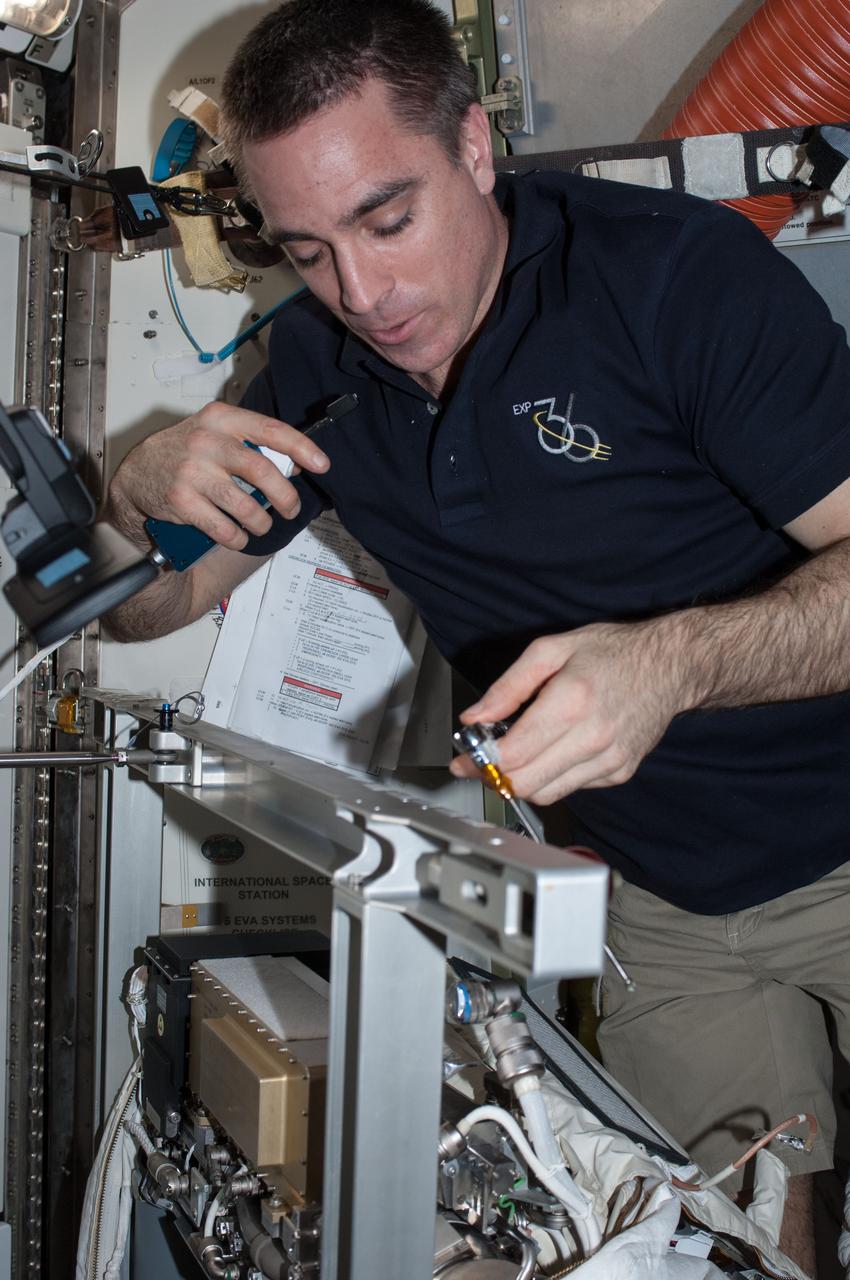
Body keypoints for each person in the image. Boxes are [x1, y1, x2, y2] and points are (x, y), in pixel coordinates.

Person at [104, 0, 850, 1269]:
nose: (363, 293)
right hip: (665, 905)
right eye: (309, 249)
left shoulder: (673, 280)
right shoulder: (314, 368)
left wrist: (667, 662)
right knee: (721, 1241)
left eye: (387, 220)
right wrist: (132, 490)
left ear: (472, 146)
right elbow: (145, 608)